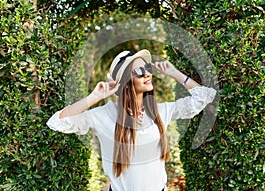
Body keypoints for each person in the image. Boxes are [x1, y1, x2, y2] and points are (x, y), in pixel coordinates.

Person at [47, 49, 217, 191]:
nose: (147, 74)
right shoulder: (103, 115)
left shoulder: (160, 111)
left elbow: (205, 96)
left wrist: (175, 73)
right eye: (139, 71)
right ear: (125, 81)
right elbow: (58, 122)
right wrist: (94, 97)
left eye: (148, 68)